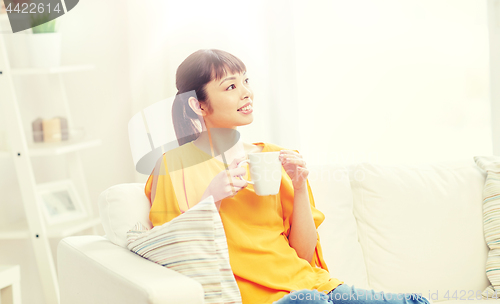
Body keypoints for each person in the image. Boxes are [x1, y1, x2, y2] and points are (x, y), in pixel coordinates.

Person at [144, 49, 431, 304]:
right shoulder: (173, 166)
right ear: (199, 105)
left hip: (315, 286)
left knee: (416, 301)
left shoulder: (273, 156)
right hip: (259, 298)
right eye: (231, 86)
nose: (246, 92)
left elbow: (304, 255)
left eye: (245, 80)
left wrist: (300, 185)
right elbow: (173, 254)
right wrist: (210, 199)